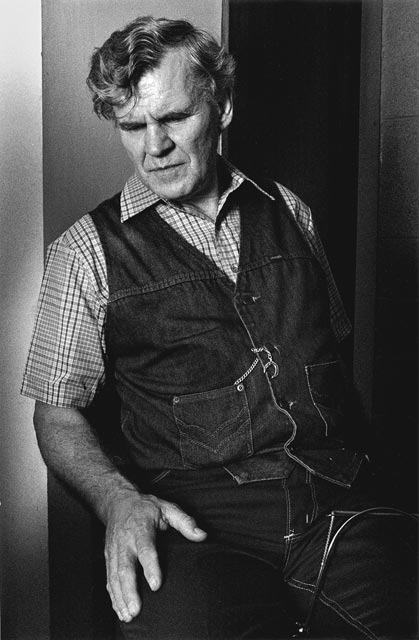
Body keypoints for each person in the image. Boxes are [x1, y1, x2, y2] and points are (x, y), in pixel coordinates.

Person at [22, 15, 417, 640]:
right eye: (132, 126)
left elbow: (334, 367)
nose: (154, 147)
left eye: (174, 118)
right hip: (196, 524)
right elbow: (56, 413)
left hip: (334, 508)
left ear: (222, 107)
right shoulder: (85, 252)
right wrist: (118, 500)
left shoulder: (291, 212)